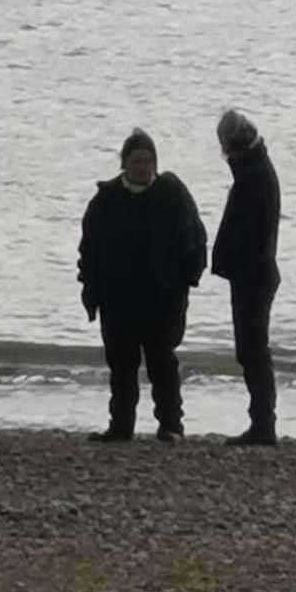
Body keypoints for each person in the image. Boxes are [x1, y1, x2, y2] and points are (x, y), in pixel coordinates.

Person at [77, 128, 207, 443]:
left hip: (162, 298)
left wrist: (187, 280)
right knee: (121, 365)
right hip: (118, 298)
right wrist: (90, 291)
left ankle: (171, 426)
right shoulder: (106, 199)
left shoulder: (172, 194)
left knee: (162, 363)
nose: (143, 166)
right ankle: (121, 426)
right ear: (124, 164)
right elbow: (89, 250)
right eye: (137, 161)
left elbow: (196, 241)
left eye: (149, 161)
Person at [211, 108, 281, 446]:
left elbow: (253, 233)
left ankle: (263, 425)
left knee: (253, 350)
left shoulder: (254, 176)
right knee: (252, 350)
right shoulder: (257, 170)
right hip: (255, 272)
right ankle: (262, 423)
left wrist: (232, 262)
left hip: (253, 274)